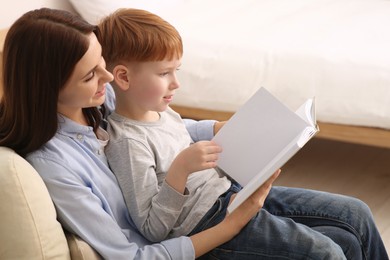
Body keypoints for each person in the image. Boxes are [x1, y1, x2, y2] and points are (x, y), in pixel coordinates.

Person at [96, 8, 389, 259]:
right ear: (123, 77)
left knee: (356, 214)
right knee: (329, 252)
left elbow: (179, 133)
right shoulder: (128, 143)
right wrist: (181, 169)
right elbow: (152, 228)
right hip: (207, 224)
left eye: (177, 71)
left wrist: (226, 133)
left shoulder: (160, 110)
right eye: (164, 74)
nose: (176, 84)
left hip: (230, 195)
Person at [0, 7, 282, 260]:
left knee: (327, 217)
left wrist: (211, 128)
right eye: (90, 76)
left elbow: (150, 128)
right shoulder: (56, 166)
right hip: (198, 235)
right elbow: (132, 256)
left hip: (214, 195)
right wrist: (230, 226)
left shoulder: (98, 99)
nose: (109, 77)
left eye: (101, 61)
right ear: (48, 88)